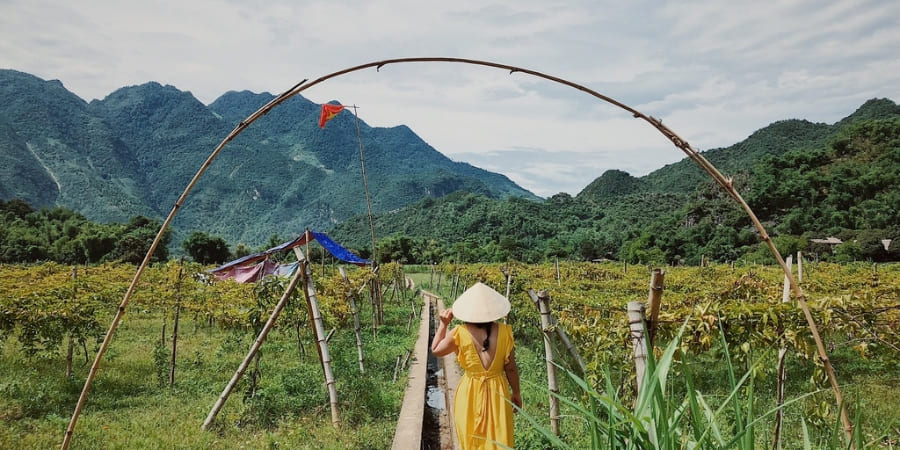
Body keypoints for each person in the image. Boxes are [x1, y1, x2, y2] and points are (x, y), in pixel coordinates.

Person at [431, 282, 522, 449]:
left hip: (470, 391)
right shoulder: (505, 332)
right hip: (498, 391)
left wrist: (443, 324)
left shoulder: (459, 332)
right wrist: (516, 392)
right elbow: (510, 368)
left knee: (471, 438)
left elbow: (436, 349)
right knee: (500, 438)